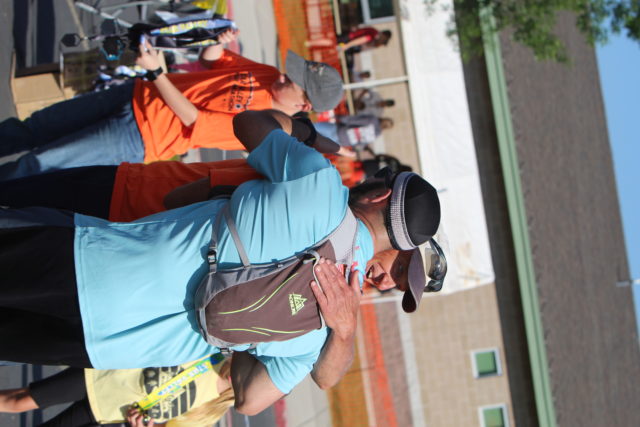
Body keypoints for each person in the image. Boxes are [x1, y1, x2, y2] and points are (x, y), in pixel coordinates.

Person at [0, 108, 441, 413]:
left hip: (93, 262)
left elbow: (247, 122)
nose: (389, 282)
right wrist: (252, 330)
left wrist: (303, 133)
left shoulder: (319, 183)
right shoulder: (323, 326)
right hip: (103, 347)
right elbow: (249, 399)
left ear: (380, 194)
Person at [0, 30, 344, 180]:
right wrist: (216, 40)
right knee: (35, 127)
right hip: (133, 94)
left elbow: (194, 119)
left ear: (304, 104)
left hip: (140, 134)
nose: (283, 74)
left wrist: (157, 73)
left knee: (39, 165)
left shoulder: (268, 126)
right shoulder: (268, 74)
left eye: (293, 79)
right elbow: (213, 61)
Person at [0, 355, 234, 427]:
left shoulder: (211, 411)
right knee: (20, 400)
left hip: (105, 412)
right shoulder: (210, 354)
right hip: (99, 377)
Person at [314, 114, 393, 149]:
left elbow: (354, 120)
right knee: (313, 140)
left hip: (339, 131)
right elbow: (360, 144)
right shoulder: (376, 135)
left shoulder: (373, 120)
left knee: (313, 127)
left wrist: (338, 117)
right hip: (343, 142)